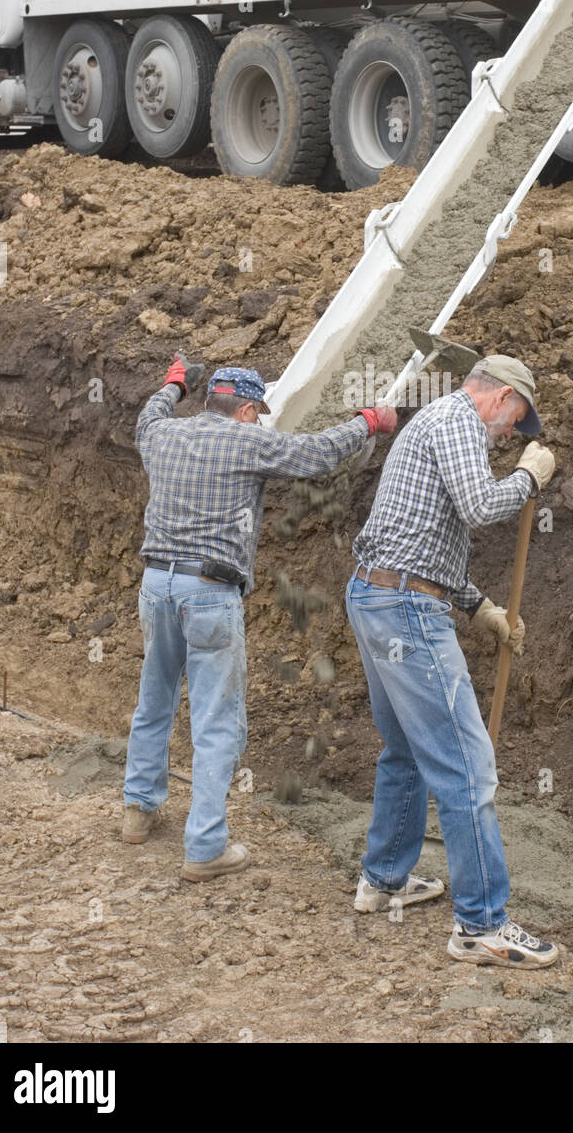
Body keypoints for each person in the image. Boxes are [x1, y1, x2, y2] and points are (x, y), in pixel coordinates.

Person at [123, 356, 396, 882]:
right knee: (216, 722)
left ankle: (139, 810)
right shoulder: (245, 441)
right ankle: (204, 847)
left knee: (154, 698)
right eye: (259, 413)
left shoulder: (161, 434)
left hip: (156, 584)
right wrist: (368, 421)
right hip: (210, 591)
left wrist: (174, 383)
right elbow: (314, 454)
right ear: (246, 411)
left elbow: (146, 416)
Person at [346, 355, 559, 966]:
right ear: (499, 399)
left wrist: (482, 608)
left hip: (378, 594)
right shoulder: (461, 421)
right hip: (405, 609)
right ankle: (482, 925)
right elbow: (480, 507)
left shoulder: (436, 421)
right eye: (513, 423)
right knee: (467, 766)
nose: (509, 437)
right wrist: (528, 478)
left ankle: (384, 878)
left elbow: (424, 538)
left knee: (407, 749)